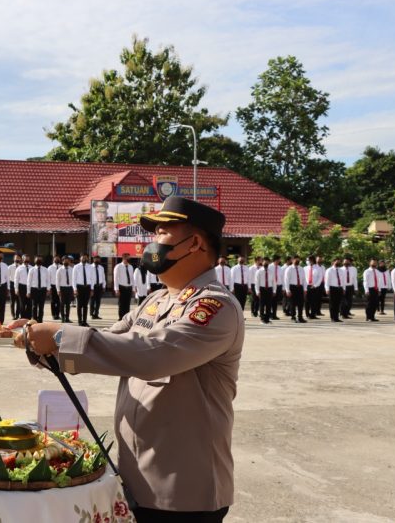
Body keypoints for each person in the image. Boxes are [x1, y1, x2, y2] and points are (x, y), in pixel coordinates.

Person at [12, 196, 242, 522]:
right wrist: (39, 342)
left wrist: (60, 336)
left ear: (194, 244)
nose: (152, 243)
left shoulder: (215, 308)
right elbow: (111, 343)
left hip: (184, 491)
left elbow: (153, 355)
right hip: (136, 479)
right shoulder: (156, 300)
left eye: (162, 232)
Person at [72, 253, 94, 327]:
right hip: (79, 287)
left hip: (87, 287)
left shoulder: (90, 267)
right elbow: (74, 279)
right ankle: (79, 321)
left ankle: (84, 321)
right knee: (79, 305)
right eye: (82, 257)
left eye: (85, 257)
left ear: (87, 258)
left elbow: (92, 278)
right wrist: (75, 289)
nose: (84, 258)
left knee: (85, 305)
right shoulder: (76, 267)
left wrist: (92, 289)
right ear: (80, 258)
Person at [26, 256, 50, 323]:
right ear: (35, 261)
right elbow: (29, 281)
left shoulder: (45, 270)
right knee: (34, 306)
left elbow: (48, 280)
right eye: (37, 259)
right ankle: (34, 320)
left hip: (43, 290)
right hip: (34, 290)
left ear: (42, 261)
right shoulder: (31, 270)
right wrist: (28, 291)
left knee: (41, 306)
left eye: (40, 259)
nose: (39, 260)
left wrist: (48, 289)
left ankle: (40, 321)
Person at [284, 255, 307, 323]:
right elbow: (286, 280)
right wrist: (287, 290)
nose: (297, 261)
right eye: (296, 259)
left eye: (298, 259)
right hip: (292, 287)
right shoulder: (289, 269)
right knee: (292, 303)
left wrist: (305, 289)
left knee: (301, 303)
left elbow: (304, 279)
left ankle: (300, 317)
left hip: (300, 287)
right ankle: (293, 317)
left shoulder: (301, 268)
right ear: (292, 260)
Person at [113, 253, 135, 320]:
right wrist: (116, 289)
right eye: (128, 257)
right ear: (124, 258)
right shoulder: (118, 266)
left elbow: (132, 278)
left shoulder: (131, 267)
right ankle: (121, 318)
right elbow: (115, 278)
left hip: (129, 287)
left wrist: (133, 289)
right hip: (121, 287)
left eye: (129, 257)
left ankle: (126, 318)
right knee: (121, 304)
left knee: (127, 304)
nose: (129, 259)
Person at [254, 256, 274, 324]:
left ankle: (267, 319)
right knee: (262, 304)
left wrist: (274, 290)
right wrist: (257, 291)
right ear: (262, 262)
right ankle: (262, 319)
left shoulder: (271, 271)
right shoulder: (259, 271)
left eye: (267, 262)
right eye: (265, 261)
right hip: (262, 289)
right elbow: (257, 282)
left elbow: (274, 282)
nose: (266, 263)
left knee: (269, 305)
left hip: (269, 289)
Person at [324, 257, 345, 323]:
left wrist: (343, 288)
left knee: (338, 303)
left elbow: (343, 280)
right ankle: (333, 317)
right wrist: (327, 289)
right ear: (333, 262)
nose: (338, 262)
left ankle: (336, 317)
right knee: (332, 304)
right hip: (332, 288)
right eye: (337, 261)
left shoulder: (341, 270)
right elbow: (327, 280)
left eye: (339, 261)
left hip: (339, 288)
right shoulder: (329, 270)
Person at [56, 256, 75, 323]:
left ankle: (67, 318)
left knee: (68, 304)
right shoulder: (59, 270)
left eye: (68, 260)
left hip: (69, 288)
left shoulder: (72, 269)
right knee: (62, 303)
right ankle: (63, 318)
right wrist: (58, 290)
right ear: (62, 261)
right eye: (65, 260)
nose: (66, 262)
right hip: (62, 288)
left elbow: (74, 280)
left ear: (69, 262)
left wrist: (74, 289)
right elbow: (57, 281)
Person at [14, 254, 32, 319]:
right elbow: (16, 279)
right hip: (22, 287)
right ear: (22, 260)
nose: (27, 260)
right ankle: (22, 318)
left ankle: (28, 317)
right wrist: (16, 289)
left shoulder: (32, 268)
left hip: (30, 287)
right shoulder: (19, 268)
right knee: (22, 304)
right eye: (25, 259)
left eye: (28, 259)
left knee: (30, 303)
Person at [90, 256, 106, 320]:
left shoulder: (101, 268)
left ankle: (96, 314)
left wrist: (104, 286)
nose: (97, 260)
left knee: (98, 301)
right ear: (93, 260)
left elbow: (103, 277)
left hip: (99, 286)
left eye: (98, 259)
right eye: (96, 259)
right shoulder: (90, 267)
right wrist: (91, 288)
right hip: (93, 286)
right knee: (92, 301)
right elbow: (89, 278)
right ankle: (92, 314)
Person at [48, 256, 63, 321]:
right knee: (53, 301)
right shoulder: (50, 267)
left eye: (58, 259)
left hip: (60, 286)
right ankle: (53, 314)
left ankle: (57, 314)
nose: (57, 260)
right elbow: (48, 278)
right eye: (55, 259)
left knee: (59, 301)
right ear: (53, 259)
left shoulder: (62, 267)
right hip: (53, 286)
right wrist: (49, 288)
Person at [269, 255, 283, 320]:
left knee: (275, 301)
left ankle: (274, 315)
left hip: (278, 286)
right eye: (279, 259)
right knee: (270, 301)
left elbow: (281, 277)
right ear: (276, 260)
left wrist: (282, 286)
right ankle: (269, 314)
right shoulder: (269, 267)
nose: (280, 261)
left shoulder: (280, 268)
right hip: (271, 286)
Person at [8, 254, 21, 320]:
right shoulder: (10, 267)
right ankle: (13, 315)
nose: (17, 259)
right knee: (12, 301)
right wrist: (8, 287)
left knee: (19, 301)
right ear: (13, 259)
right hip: (12, 284)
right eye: (16, 258)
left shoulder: (21, 267)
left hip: (19, 284)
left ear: (20, 259)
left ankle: (17, 315)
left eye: (18, 258)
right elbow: (7, 277)